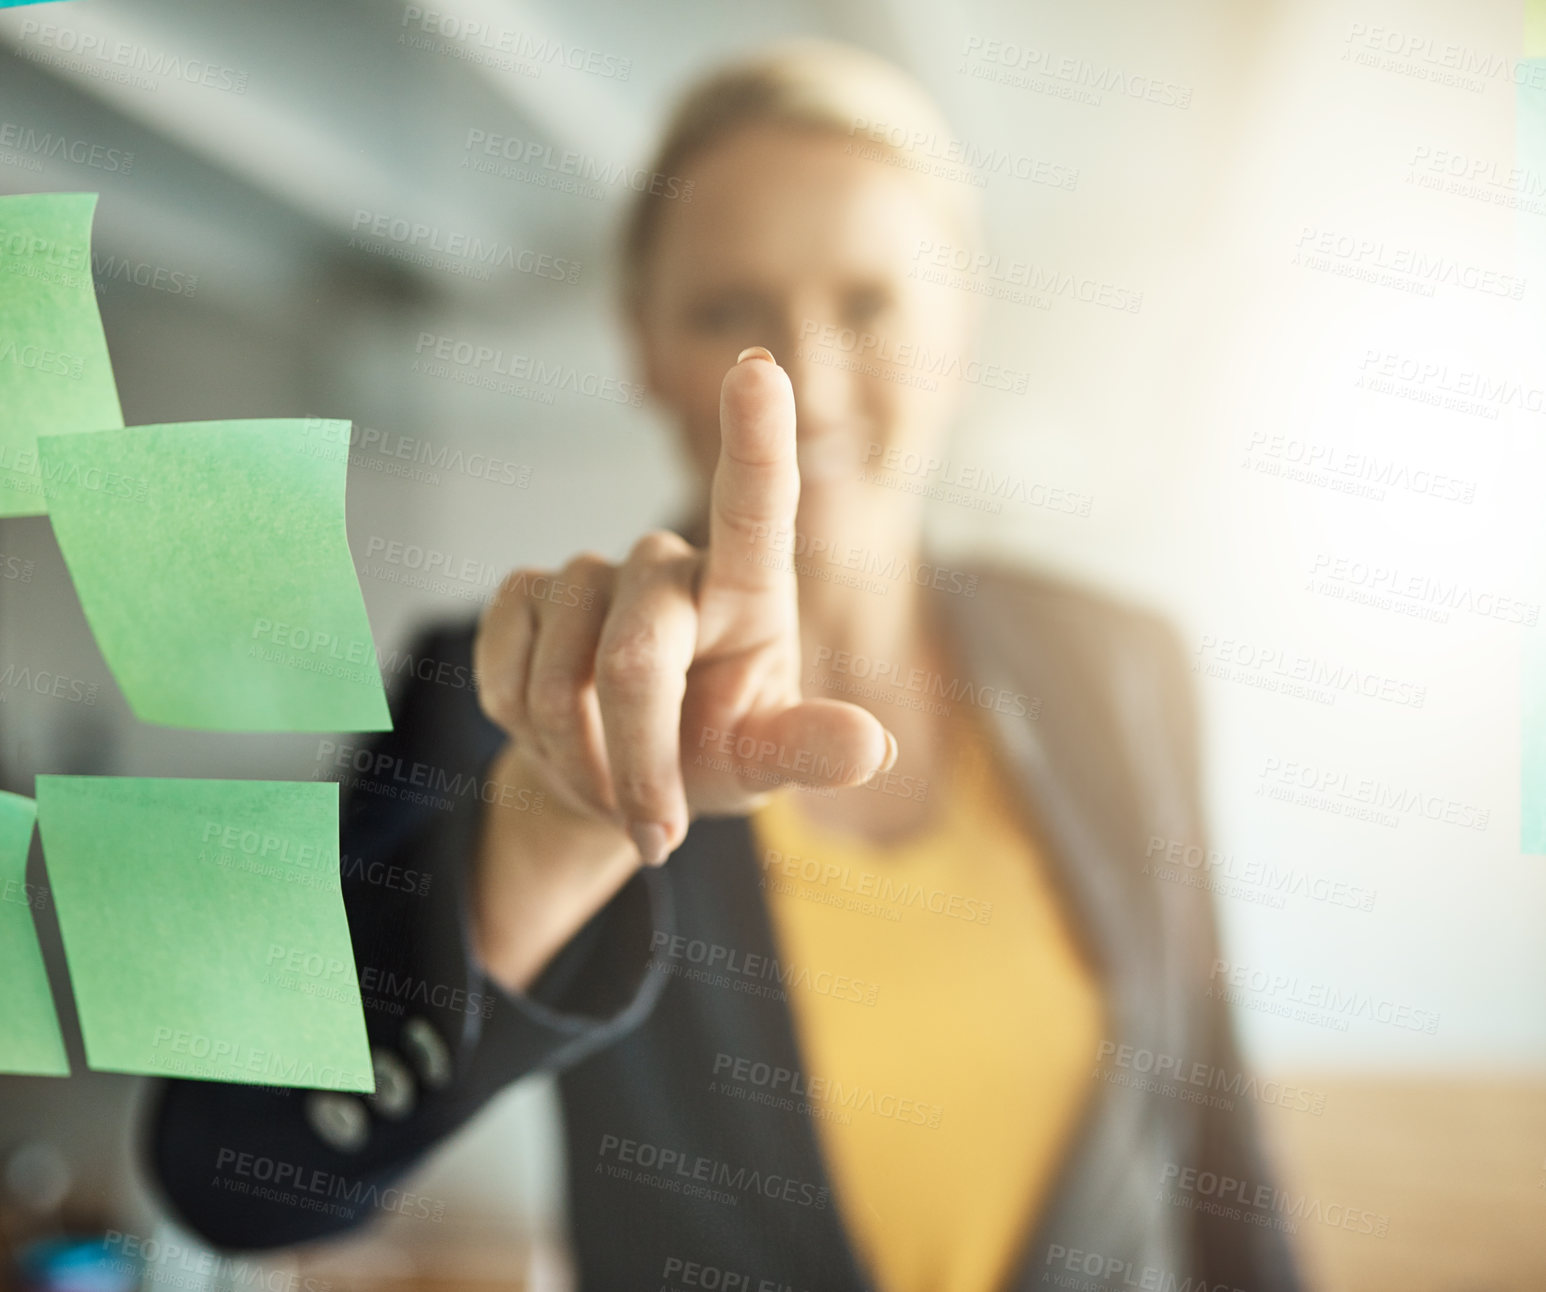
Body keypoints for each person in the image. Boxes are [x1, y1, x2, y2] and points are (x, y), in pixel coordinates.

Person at [149, 38, 1304, 1292]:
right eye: (727, 311)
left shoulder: (1122, 670)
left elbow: (1213, 1128)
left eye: (869, 303)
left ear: (958, 335)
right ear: (642, 346)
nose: (805, 376)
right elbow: (229, 1174)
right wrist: (552, 829)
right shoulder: (512, 693)